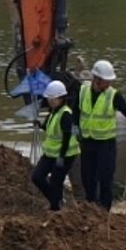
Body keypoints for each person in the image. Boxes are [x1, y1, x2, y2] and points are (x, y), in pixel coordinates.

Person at [73, 59, 126, 210]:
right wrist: (76, 130)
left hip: (106, 144)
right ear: (96, 79)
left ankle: (105, 212)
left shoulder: (113, 95)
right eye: (106, 81)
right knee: (88, 179)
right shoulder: (82, 91)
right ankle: (91, 209)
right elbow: (76, 112)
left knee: (105, 180)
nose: (109, 83)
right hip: (87, 142)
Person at [31, 80, 79, 211]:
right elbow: (48, 128)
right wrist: (39, 125)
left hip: (65, 154)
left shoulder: (65, 115)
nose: (50, 101)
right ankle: (56, 201)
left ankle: (55, 207)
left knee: (56, 181)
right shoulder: (53, 112)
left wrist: (61, 157)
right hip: (50, 153)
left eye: (53, 99)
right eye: (49, 99)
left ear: (61, 98)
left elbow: (67, 138)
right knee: (37, 177)